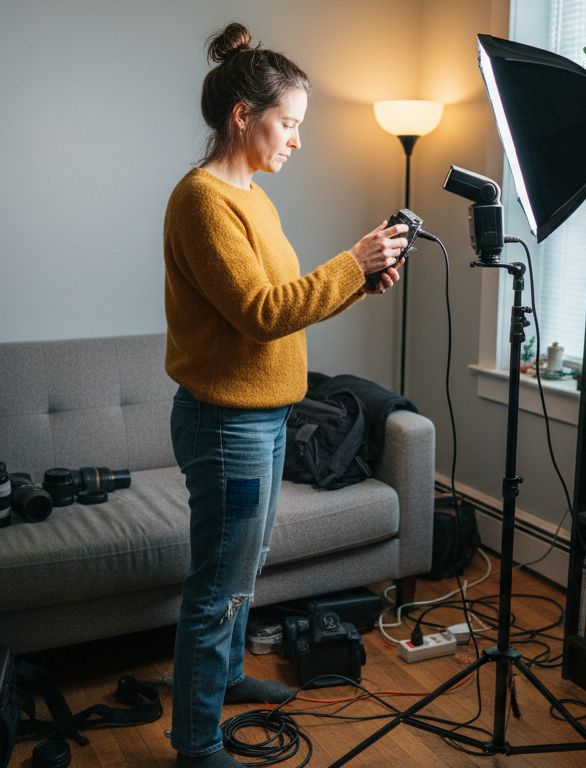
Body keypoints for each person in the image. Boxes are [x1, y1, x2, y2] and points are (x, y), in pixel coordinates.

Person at [162, 22, 408, 768]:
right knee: (219, 582)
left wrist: (359, 280)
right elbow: (260, 313)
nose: (297, 140)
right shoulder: (204, 202)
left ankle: (229, 677)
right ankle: (196, 742)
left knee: (246, 563)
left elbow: (283, 303)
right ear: (246, 115)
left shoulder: (254, 199)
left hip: (264, 415)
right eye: (290, 122)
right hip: (225, 423)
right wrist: (350, 262)